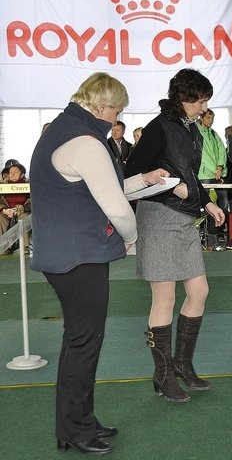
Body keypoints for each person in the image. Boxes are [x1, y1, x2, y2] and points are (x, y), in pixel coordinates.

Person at [29, 72, 169, 455]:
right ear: (102, 106)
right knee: (83, 344)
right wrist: (132, 237)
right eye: (117, 110)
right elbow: (116, 207)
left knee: (82, 342)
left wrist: (143, 179)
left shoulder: (62, 129)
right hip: (78, 258)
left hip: (65, 256)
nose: (116, 118)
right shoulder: (87, 142)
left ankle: (78, 423)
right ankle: (75, 429)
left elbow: (99, 184)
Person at [125, 68, 225, 403]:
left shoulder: (191, 129)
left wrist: (207, 203)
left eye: (206, 100)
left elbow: (190, 176)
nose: (204, 106)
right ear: (182, 97)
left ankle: (182, 364)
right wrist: (166, 186)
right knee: (164, 298)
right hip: (157, 218)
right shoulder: (157, 128)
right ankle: (163, 374)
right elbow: (133, 174)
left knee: (200, 291)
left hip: (184, 220)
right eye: (200, 100)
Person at [197, 108, 229, 242]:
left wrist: (220, 167)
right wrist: (214, 169)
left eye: (212, 118)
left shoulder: (214, 134)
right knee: (204, 205)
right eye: (208, 118)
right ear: (202, 118)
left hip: (218, 175)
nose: (211, 121)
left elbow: (222, 150)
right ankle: (202, 232)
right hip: (204, 175)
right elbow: (202, 154)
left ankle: (219, 231)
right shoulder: (197, 132)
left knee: (224, 203)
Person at [0, 162, 31, 254]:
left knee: (23, 218)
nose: (12, 174)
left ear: (22, 175)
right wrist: (3, 209)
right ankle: (4, 246)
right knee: (1, 218)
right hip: (7, 211)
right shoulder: (2, 185)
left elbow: (33, 201)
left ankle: (25, 246)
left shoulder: (28, 185)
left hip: (22, 210)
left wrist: (21, 208)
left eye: (16, 172)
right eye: (10, 172)